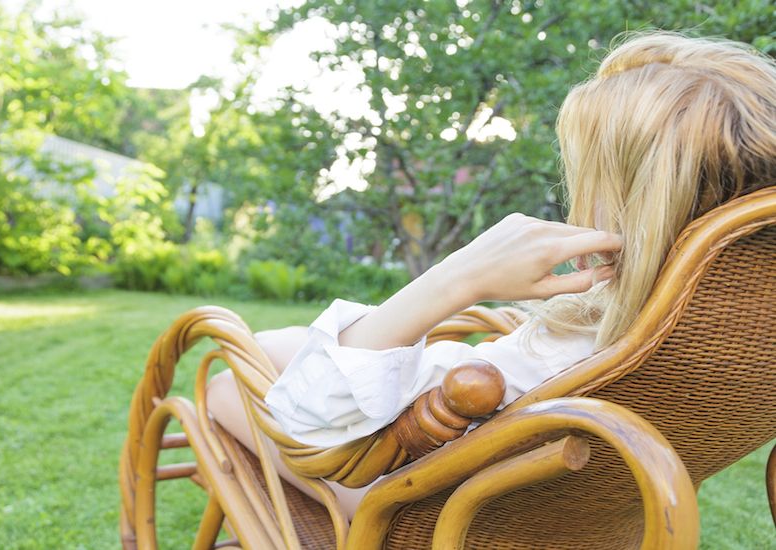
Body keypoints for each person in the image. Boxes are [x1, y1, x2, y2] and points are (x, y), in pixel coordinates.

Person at [206, 31, 776, 519]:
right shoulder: (727, 333)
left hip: (422, 511)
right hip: (577, 509)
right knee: (280, 346)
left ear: (637, 205)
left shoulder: (575, 361)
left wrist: (459, 275)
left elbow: (307, 428)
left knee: (226, 386)